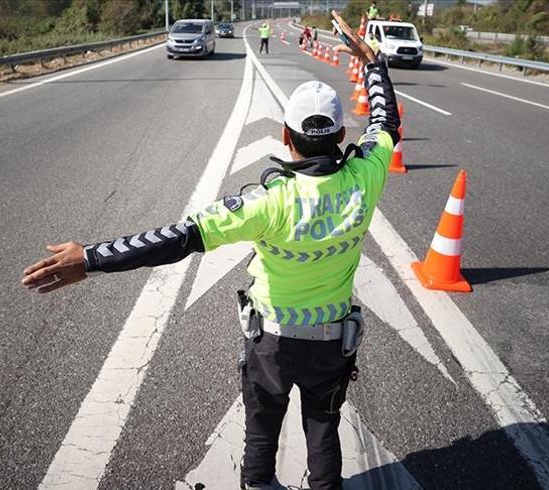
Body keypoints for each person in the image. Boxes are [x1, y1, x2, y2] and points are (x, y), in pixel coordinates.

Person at [21, 10, 400, 490]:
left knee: (262, 431)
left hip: (273, 344)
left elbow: (176, 239)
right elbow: (386, 120)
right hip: (332, 344)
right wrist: (372, 64)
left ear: (286, 137)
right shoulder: (366, 177)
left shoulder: (268, 202)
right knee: (323, 429)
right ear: (342, 137)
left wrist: (90, 257)